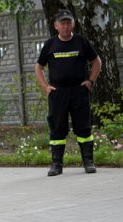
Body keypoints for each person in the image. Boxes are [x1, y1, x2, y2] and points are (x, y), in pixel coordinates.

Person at [34, 9, 102, 176]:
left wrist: (90, 81)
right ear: (56, 26)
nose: (65, 26)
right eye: (62, 23)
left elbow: (96, 61)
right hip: (58, 93)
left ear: (73, 24)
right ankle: (56, 165)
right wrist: (45, 87)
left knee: (84, 128)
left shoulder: (81, 42)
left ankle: (88, 162)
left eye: (68, 23)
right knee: (57, 129)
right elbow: (38, 67)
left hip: (79, 91)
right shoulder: (50, 45)